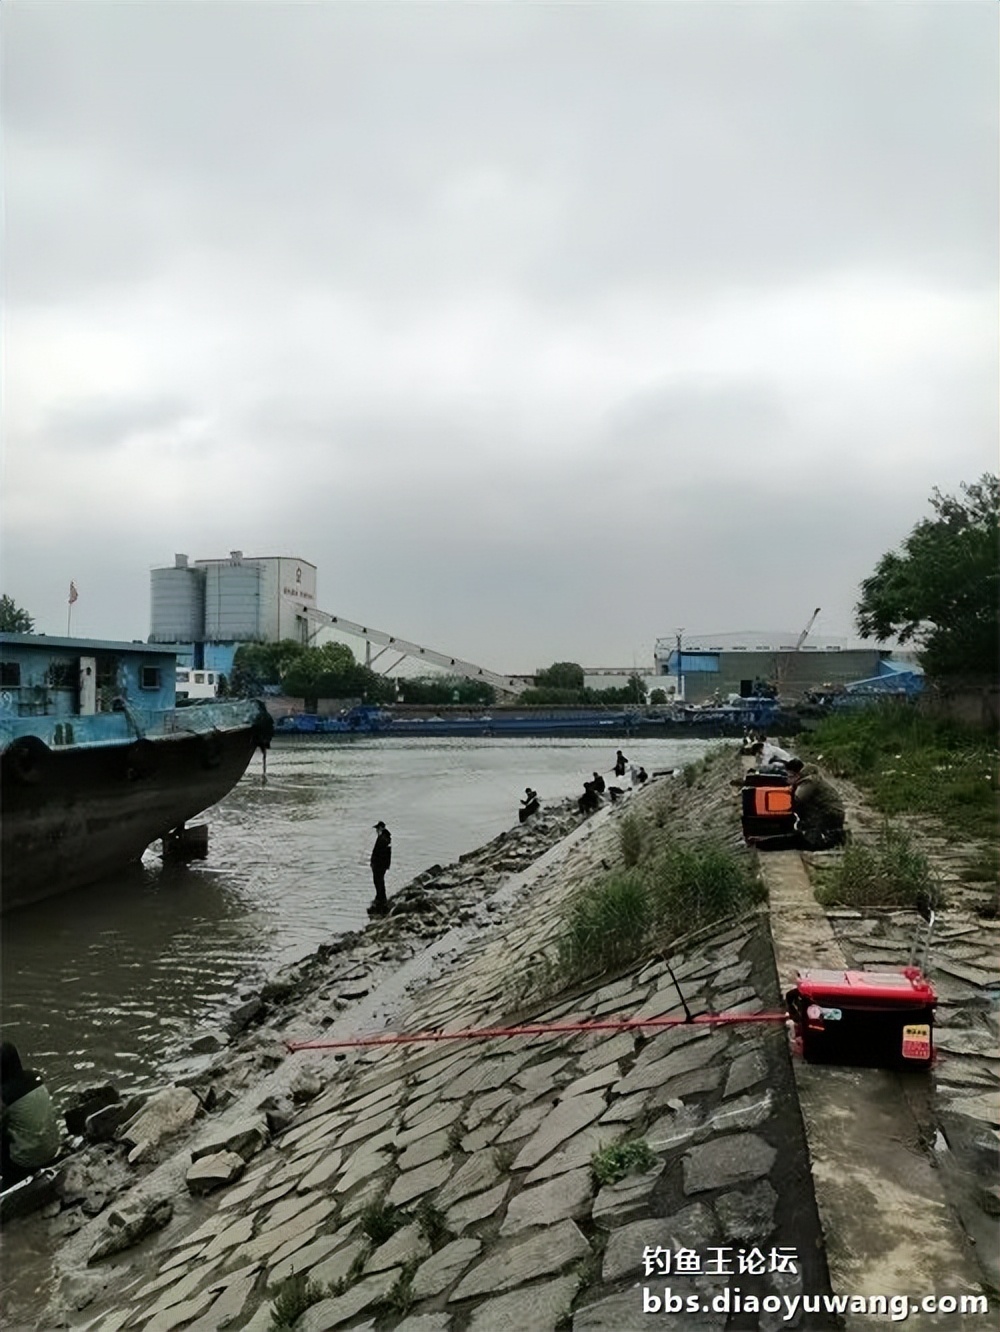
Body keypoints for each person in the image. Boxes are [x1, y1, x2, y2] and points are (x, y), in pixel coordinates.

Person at [1, 1042, 61, 1188]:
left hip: (27, 1162)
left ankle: (10, 1182)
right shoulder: (35, 1076)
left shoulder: (4, 1095)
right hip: (54, 1149)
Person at [786, 759, 846, 849]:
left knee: (811, 842)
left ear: (796, 775)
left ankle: (829, 836)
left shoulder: (809, 781)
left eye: (790, 776)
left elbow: (798, 798)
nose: (787, 779)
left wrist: (792, 787)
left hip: (830, 813)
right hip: (832, 812)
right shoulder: (813, 778)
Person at [369, 821, 392, 915]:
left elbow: (380, 854)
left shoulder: (383, 839)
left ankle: (381, 898)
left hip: (379, 865)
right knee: (379, 880)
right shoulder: (385, 838)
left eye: (377, 828)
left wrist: (375, 863)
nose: (376, 830)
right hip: (381, 865)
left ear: (381, 828)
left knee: (378, 880)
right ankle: (380, 897)